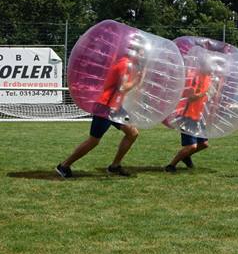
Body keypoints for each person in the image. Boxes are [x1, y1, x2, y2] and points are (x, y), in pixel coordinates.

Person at [55, 36, 145, 178]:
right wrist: (136, 81)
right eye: (142, 51)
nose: (143, 54)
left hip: (114, 107)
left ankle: (114, 166)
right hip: (105, 107)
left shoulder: (128, 65)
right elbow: (122, 88)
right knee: (94, 141)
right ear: (135, 50)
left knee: (132, 133)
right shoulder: (124, 64)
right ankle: (64, 165)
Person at [165, 55, 218, 172]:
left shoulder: (208, 77)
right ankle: (171, 166)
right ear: (204, 65)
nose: (213, 69)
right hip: (187, 116)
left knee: (203, 144)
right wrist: (205, 92)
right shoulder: (195, 77)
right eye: (211, 66)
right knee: (191, 146)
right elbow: (191, 97)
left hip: (198, 116)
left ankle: (186, 156)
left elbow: (206, 97)